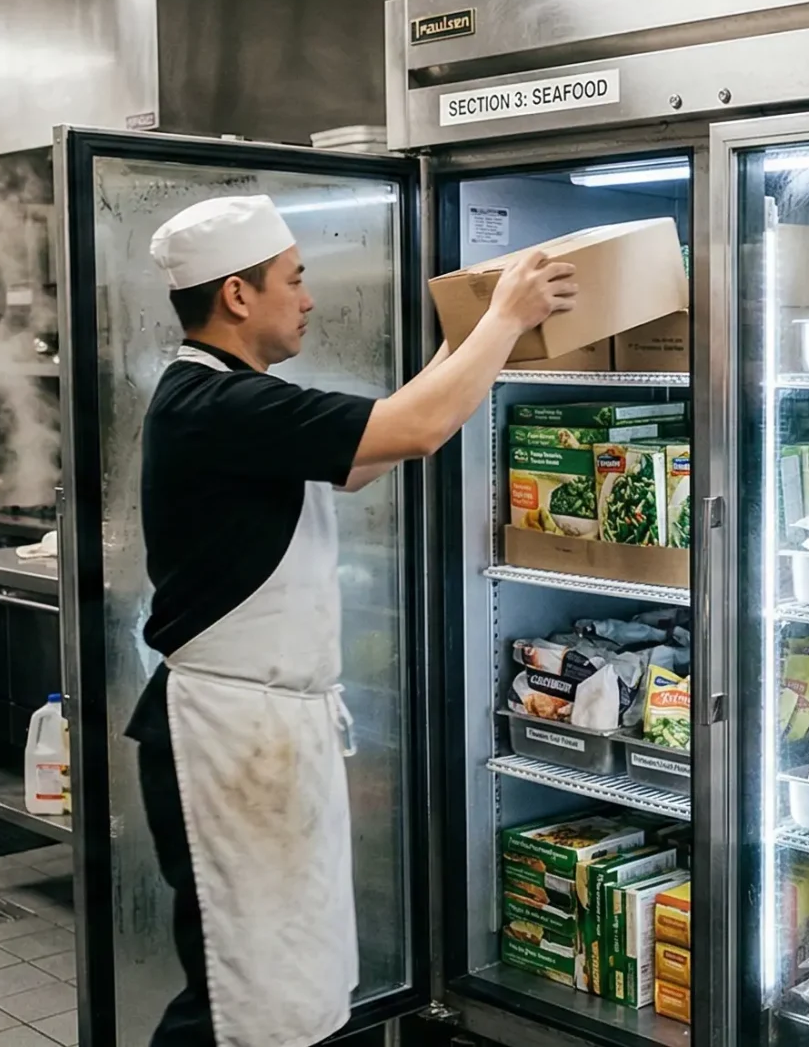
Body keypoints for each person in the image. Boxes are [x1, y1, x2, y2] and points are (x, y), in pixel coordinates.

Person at [129, 194, 576, 1047]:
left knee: (288, 979)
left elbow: (372, 455)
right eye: (293, 281)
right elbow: (415, 429)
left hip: (268, 726)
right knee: (242, 997)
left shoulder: (237, 399)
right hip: (228, 733)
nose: (306, 299)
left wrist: (471, 331)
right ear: (236, 295)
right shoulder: (213, 407)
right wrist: (508, 321)